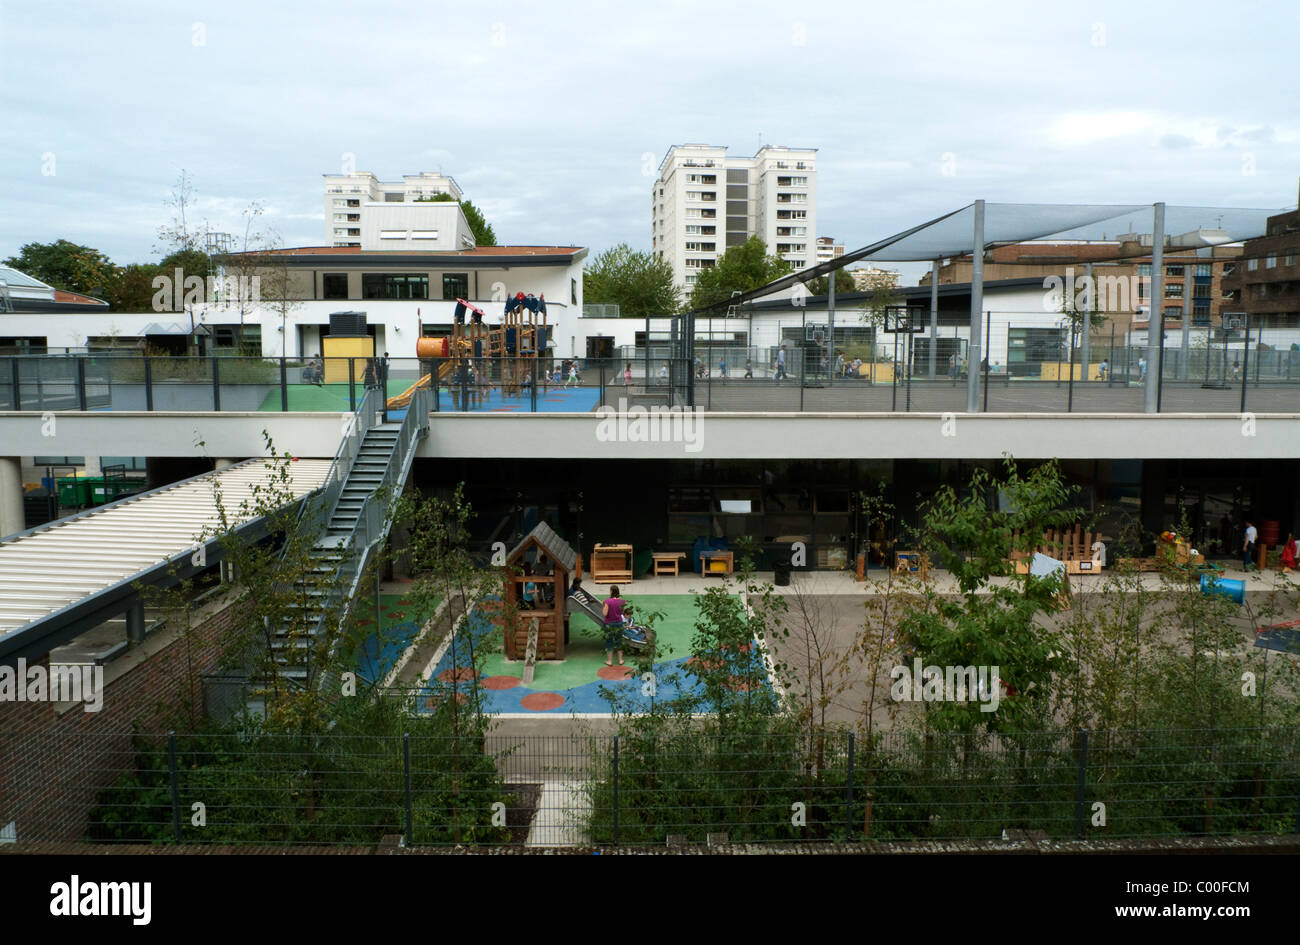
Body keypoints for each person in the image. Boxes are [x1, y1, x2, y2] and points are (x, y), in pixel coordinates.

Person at [601, 586, 627, 667]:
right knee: (619, 641)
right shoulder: (622, 601)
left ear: (611, 591)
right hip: (619, 623)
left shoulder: (607, 601)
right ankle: (620, 660)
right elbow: (622, 612)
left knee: (609, 641)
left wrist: (603, 606)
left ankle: (609, 661)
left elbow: (605, 614)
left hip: (609, 624)